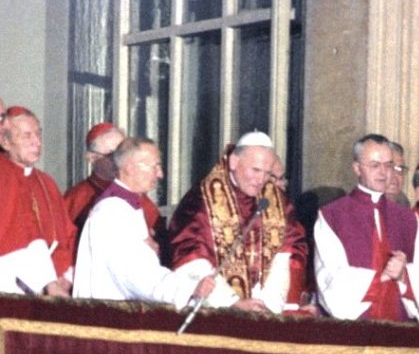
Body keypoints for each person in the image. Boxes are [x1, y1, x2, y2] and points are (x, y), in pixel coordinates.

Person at [168, 131, 309, 314]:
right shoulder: (199, 202)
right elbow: (190, 258)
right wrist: (232, 302)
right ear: (234, 162)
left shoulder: (277, 201)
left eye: (267, 173)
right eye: (256, 170)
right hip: (217, 313)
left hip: (265, 311)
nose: (261, 180)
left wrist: (270, 304)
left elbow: (286, 253)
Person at [73, 137, 214, 306]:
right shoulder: (112, 211)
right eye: (155, 166)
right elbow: (136, 275)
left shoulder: (127, 205)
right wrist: (189, 288)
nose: (160, 174)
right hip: (112, 314)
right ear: (131, 168)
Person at [314, 133, 419, 323]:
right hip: (353, 327)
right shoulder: (332, 215)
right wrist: (378, 277)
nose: (383, 173)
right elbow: (328, 276)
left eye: (388, 165)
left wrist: (404, 275)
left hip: (399, 324)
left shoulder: (408, 218)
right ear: (357, 168)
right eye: (374, 165)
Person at [0, 106, 76, 296]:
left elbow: (67, 234)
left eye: (38, 134)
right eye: (27, 136)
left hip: (55, 286)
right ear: (5, 142)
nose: (37, 142)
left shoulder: (46, 182)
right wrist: (47, 279)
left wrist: (65, 275)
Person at [64, 122, 162, 250]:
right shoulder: (76, 198)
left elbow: (161, 238)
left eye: (123, 152)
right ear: (92, 158)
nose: (120, 160)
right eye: (112, 155)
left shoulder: (136, 193)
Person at [385, 141, 410, 207]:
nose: (395, 176)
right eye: (389, 167)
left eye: (400, 169)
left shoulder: (403, 202)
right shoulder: (362, 205)